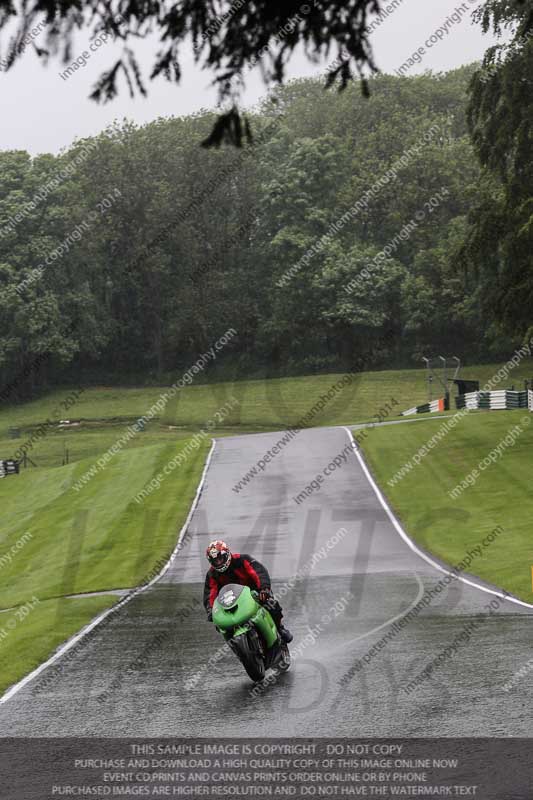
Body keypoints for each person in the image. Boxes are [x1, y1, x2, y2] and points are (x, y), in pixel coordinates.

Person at [203, 539, 293, 643]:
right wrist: (211, 611)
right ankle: (235, 646)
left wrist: (264, 588)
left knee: (271, 604)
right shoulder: (212, 574)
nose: (218, 562)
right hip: (230, 603)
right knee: (220, 625)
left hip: (255, 594)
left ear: (226, 554)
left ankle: (280, 628)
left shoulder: (242, 560)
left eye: (220, 558)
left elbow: (259, 572)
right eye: (215, 561)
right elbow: (210, 594)